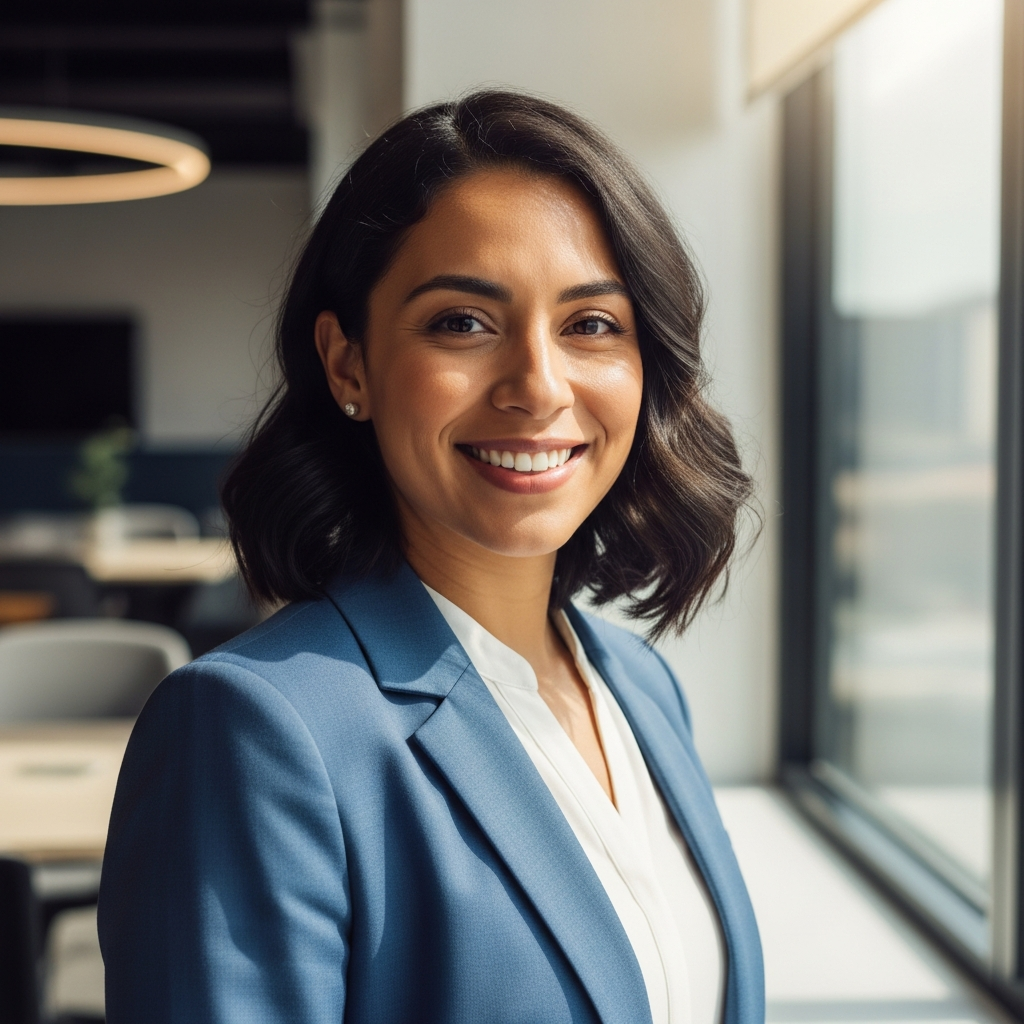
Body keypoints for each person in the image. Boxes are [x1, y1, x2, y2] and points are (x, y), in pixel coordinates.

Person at [98, 90, 763, 1024]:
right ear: (349, 365)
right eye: (463, 322)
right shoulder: (255, 730)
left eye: (590, 325)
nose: (538, 387)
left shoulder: (642, 687)